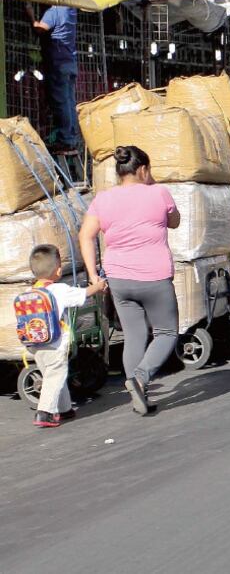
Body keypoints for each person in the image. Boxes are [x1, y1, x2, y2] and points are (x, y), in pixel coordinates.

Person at [79, 146, 180, 416]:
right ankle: (140, 378)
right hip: (154, 277)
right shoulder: (158, 193)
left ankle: (140, 397)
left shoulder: (103, 199)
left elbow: (85, 235)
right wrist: (154, 187)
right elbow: (175, 222)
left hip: (119, 279)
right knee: (166, 332)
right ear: (144, 169)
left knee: (134, 335)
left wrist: (93, 275)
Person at [23, 245, 107, 428]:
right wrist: (98, 286)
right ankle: (44, 413)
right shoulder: (58, 290)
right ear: (59, 270)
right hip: (55, 343)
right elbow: (83, 294)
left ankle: (65, 409)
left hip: (35, 343)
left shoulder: (29, 293)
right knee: (56, 375)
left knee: (54, 375)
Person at [25, 0, 81, 152]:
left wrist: (30, 14)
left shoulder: (54, 12)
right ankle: (72, 137)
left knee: (61, 103)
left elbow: (39, 29)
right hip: (70, 62)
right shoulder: (71, 10)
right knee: (69, 102)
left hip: (58, 64)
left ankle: (66, 139)